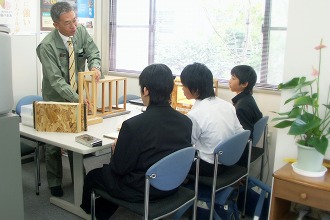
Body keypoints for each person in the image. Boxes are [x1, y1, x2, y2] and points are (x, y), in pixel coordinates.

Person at [80, 63, 192, 220]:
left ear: (145, 90)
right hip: (172, 184)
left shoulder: (133, 126)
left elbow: (118, 169)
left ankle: (92, 212)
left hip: (143, 189)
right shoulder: (186, 121)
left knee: (94, 175)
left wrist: (115, 150)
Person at [36, 2, 102, 197]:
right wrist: (78, 98)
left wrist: (96, 66)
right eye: (68, 23)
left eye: (75, 20)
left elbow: (93, 52)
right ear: (56, 24)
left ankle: (78, 178)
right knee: (53, 142)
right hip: (55, 97)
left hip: (77, 93)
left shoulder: (80, 31)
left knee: (78, 137)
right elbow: (55, 81)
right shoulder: (46, 46)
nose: (74, 26)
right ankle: (55, 182)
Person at [180, 62, 244, 177]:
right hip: (230, 161)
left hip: (209, 166)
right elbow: (240, 133)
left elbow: (186, 145)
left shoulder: (195, 115)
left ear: (196, 89)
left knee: (170, 159)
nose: (182, 88)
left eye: (184, 85)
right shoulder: (227, 105)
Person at [229, 65, 263, 165]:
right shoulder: (248, 99)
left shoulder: (241, 107)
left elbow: (244, 137)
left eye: (233, 78)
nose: (230, 81)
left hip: (240, 155)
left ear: (244, 84)